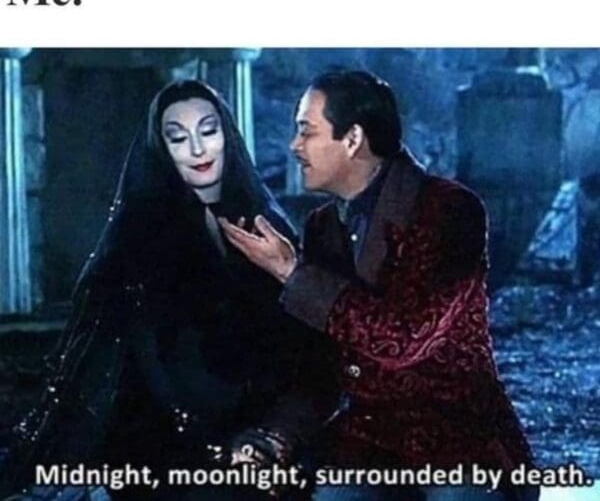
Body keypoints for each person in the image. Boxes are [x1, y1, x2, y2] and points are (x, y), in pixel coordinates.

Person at [1, 80, 333, 501]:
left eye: (208, 131)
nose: (197, 149)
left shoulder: (265, 221)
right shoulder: (140, 235)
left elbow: (304, 343)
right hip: (169, 440)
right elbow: (141, 359)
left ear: (227, 135)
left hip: (266, 426)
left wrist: (272, 433)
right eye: (178, 138)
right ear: (162, 148)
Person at [220, 70, 539, 501]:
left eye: (307, 131)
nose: (294, 146)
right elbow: (324, 366)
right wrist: (275, 437)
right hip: (371, 445)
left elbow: (406, 336)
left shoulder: (450, 210)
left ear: (353, 139)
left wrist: (292, 273)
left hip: (461, 439)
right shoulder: (323, 226)